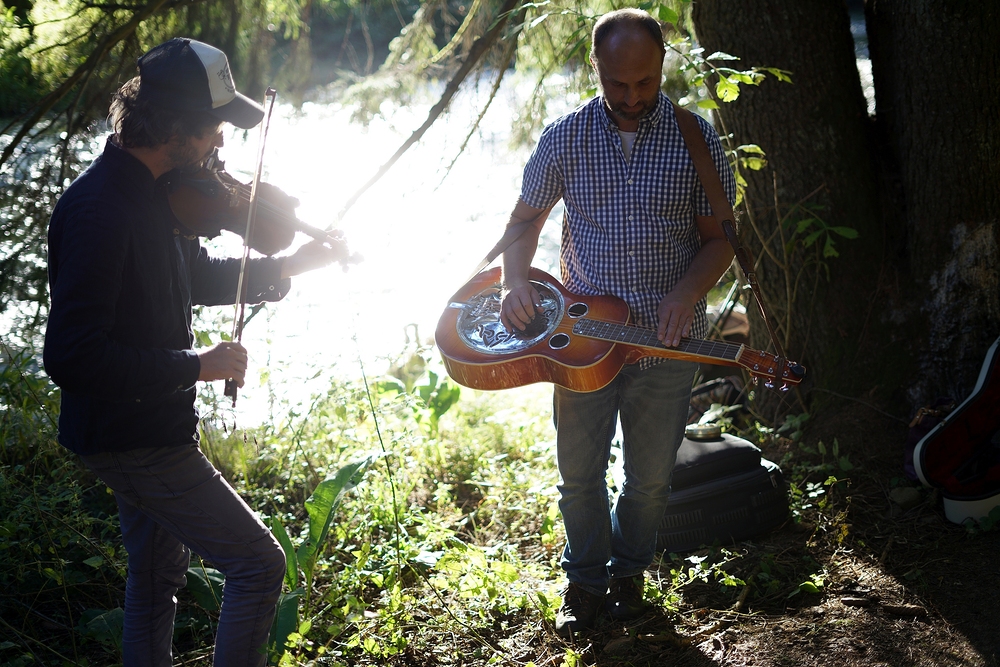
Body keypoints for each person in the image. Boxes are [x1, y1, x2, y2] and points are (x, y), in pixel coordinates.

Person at [43, 38, 350, 666]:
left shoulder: (155, 195)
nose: (219, 145)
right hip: (134, 435)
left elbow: (197, 277)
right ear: (175, 127)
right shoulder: (100, 210)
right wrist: (197, 366)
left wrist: (291, 264)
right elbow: (71, 356)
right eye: (213, 128)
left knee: (156, 580)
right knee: (259, 564)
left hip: (144, 424)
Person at [499, 9, 737, 636]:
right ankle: (585, 585)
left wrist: (687, 292)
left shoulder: (698, 139)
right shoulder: (565, 138)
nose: (632, 98)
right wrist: (515, 280)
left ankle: (631, 577)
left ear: (662, 67)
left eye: (646, 82)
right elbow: (523, 224)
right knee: (579, 476)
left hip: (666, 344)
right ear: (596, 69)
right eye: (618, 85)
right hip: (584, 343)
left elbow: (720, 240)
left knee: (651, 480)